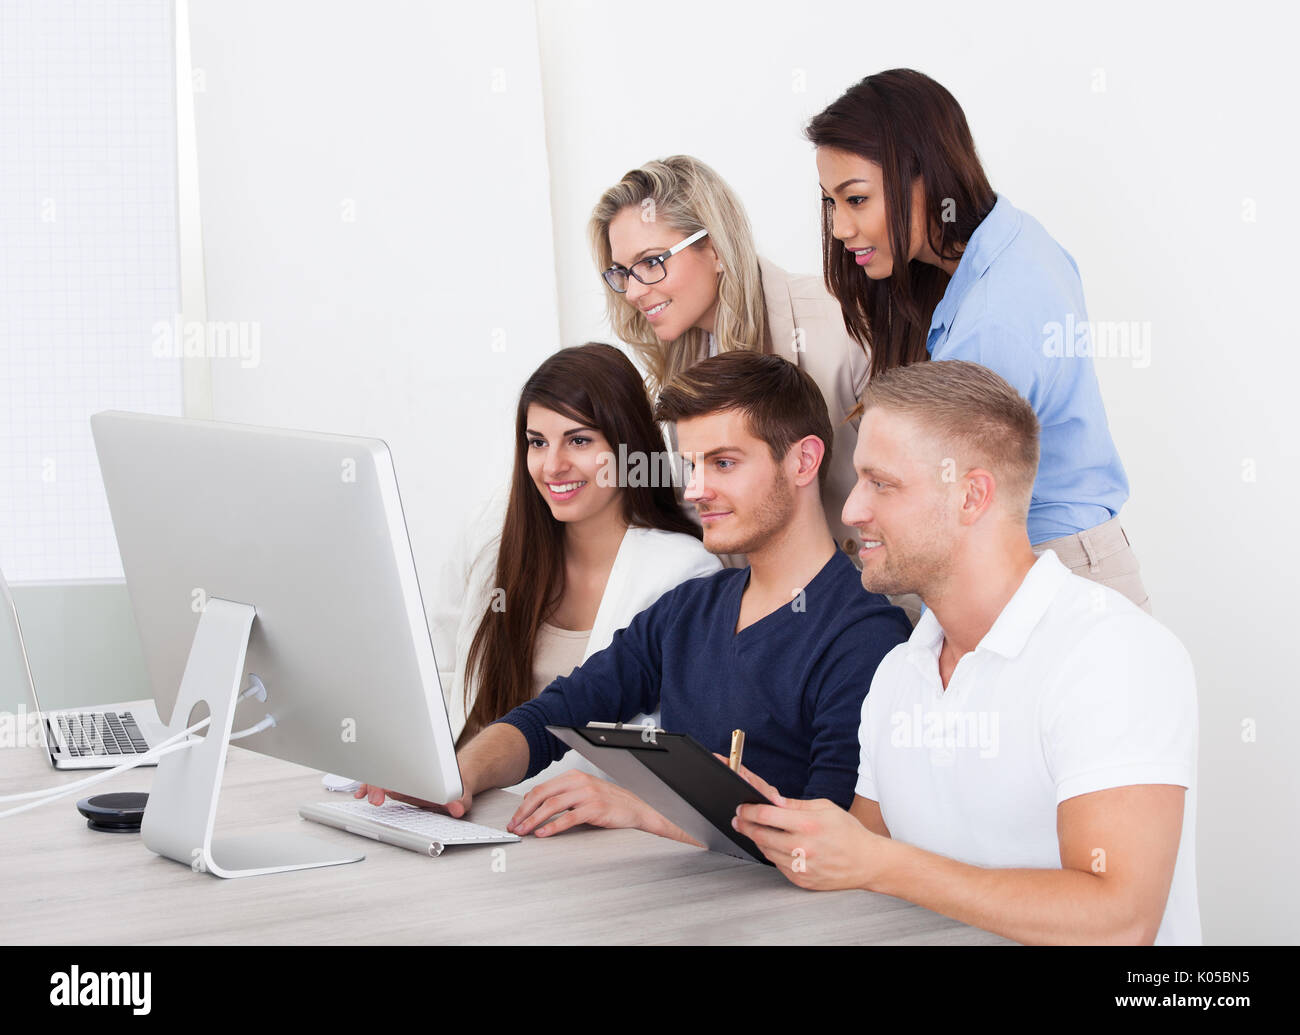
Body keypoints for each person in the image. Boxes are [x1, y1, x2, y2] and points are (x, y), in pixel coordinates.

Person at [732, 360, 1199, 945]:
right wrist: (795, 834)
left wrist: (878, 863)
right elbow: (862, 865)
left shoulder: (1112, 653)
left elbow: (1118, 921)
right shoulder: (899, 672)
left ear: (972, 496)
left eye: (883, 483)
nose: (851, 510)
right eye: (859, 480)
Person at [361, 353, 912, 842]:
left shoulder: (864, 634)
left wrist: (649, 809)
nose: (696, 491)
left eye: (722, 463)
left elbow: (834, 835)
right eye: (691, 466)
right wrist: (453, 778)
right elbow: (553, 716)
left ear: (803, 461)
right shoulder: (690, 610)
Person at [808, 69, 1150, 611]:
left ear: (923, 177)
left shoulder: (991, 325)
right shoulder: (1006, 238)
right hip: (1054, 564)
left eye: (856, 200)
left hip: (1048, 574)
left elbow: (948, 512)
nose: (839, 229)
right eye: (831, 201)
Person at [426, 343, 720, 790]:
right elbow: (437, 671)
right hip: (461, 799)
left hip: (580, 829)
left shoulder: (683, 571)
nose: (553, 466)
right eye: (537, 443)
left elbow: (676, 750)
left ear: (627, 446)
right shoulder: (492, 540)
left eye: (579, 440)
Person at [589, 155, 873, 566]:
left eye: (650, 262)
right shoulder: (682, 360)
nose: (632, 292)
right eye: (621, 271)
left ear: (716, 249)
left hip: (864, 599)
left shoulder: (837, 319)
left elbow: (905, 480)